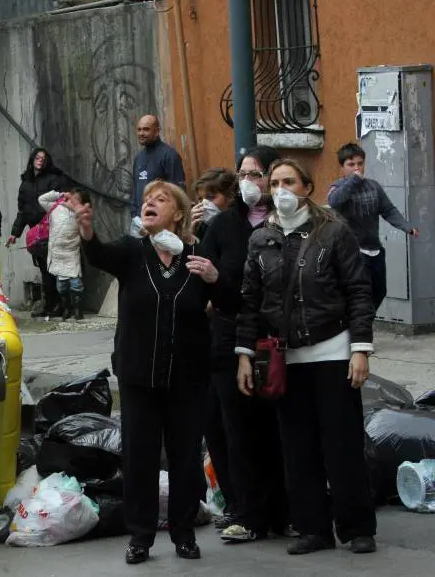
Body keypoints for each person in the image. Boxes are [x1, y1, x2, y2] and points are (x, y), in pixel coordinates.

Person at [78, 180, 236, 564]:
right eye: (147, 199)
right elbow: (99, 255)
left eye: (160, 199)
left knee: (185, 458)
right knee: (140, 458)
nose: (150, 203)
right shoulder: (133, 251)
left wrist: (215, 279)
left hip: (188, 378)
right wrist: (87, 231)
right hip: (138, 377)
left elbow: (232, 304)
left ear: (178, 214)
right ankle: (140, 537)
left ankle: (184, 533)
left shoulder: (197, 255)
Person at [236, 159, 377, 556]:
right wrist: (244, 354)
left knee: (342, 444)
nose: (281, 189)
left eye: (289, 182)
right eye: (275, 183)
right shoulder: (261, 239)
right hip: (287, 358)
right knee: (298, 449)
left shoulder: (333, 232)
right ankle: (313, 529)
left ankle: (357, 527)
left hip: (333, 350)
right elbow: (250, 300)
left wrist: (360, 348)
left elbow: (358, 290)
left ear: (307, 188)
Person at [199, 147, 291, 543]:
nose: (248, 182)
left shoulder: (288, 223)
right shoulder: (222, 226)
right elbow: (205, 282)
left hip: (279, 340)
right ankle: (248, 512)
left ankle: (285, 513)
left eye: (256, 174)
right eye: (243, 174)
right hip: (229, 338)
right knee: (237, 430)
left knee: (280, 430)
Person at [327, 142, 419, 310]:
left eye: (360, 163)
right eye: (351, 164)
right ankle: (357, 321)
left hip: (375, 249)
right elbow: (334, 201)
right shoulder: (337, 187)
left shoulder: (373, 186)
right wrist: (354, 181)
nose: (357, 168)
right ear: (342, 168)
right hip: (353, 251)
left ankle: (363, 320)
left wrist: (406, 227)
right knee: (359, 293)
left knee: (380, 291)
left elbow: (388, 210)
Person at [7, 148, 68, 318]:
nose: (40, 160)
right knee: (44, 269)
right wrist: (15, 233)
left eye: (44, 158)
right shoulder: (25, 183)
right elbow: (22, 211)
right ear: (32, 160)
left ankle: (62, 305)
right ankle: (49, 305)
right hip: (36, 233)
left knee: (56, 268)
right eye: (37, 157)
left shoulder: (54, 179)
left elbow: (60, 203)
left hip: (52, 229)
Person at [37, 186, 91, 321]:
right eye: (72, 197)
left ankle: (78, 310)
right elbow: (42, 199)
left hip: (71, 253)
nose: (73, 201)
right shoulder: (55, 207)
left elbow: (85, 234)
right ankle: (67, 308)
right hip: (57, 253)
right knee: (61, 286)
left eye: (77, 200)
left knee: (76, 283)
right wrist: (60, 194)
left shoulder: (80, 214)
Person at [130, 115, 185, 218]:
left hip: (161, 219)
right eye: (139, 129)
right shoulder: (139, 157)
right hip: (139, 219)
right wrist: (134, 214)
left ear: (157, 131)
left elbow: (178, 191)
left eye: (146, 129)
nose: (141, 133)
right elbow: (135, 189)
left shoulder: (169, 155)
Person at [190, 167, 238, 241]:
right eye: (200, 199)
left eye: (211, 197)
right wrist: (190, 234)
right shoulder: (201, 227)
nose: (204, 203)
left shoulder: (242, 225)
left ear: (230, 196)